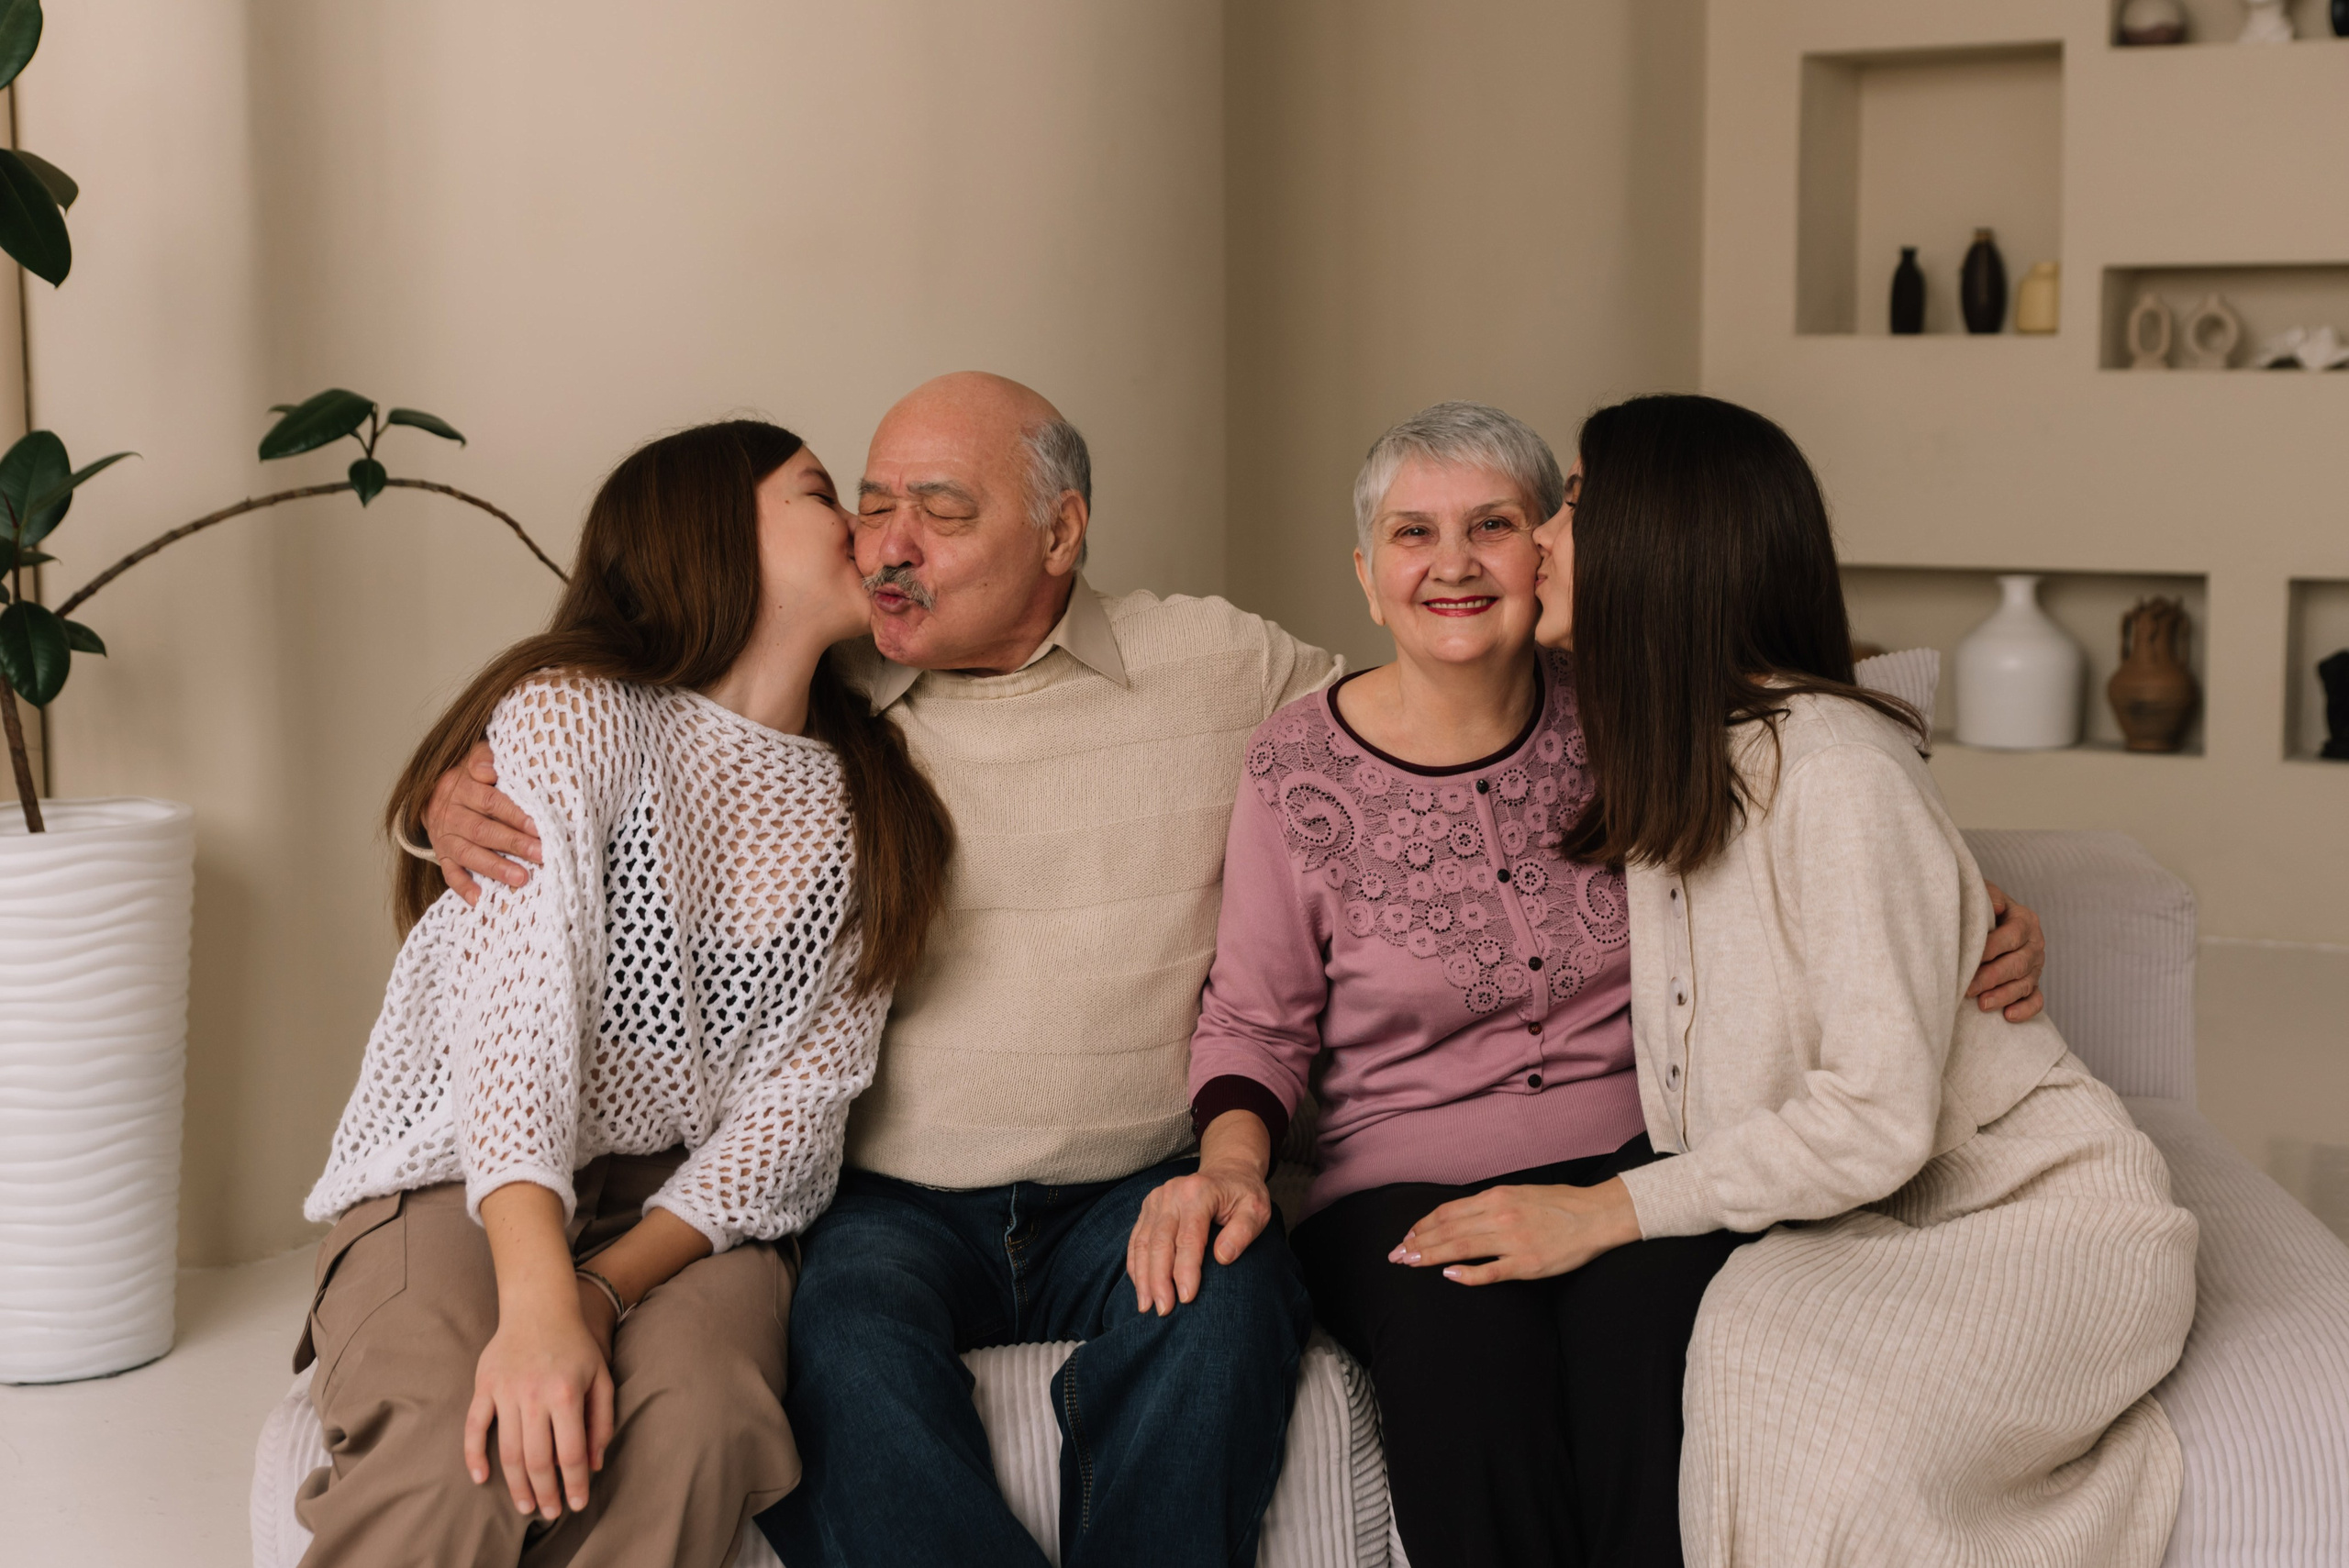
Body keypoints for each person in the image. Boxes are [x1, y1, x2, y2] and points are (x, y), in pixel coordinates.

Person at [417, 373, 1330, 1568]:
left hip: (1132, 1185)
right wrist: (455, 799)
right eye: (871, 502)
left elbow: (1420, 721)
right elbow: (623, 741)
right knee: (837, 1357)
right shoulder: (820, 680)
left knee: (1229, 1303)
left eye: (939, 511)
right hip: (887, 1203)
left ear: (1060, 531)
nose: (887, 544)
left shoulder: (1223, 664)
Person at [1126, 402, 2056, 1568]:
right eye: (1413, 533)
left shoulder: (1633, 709)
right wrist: (1228, 1163)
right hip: (1401, 1181)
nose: (1455, 563)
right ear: (1366, 577)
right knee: (1468, 1372)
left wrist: (1978, 907)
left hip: (1646, 1159)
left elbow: (1818, 801)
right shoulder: (1294, 765)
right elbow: (1255, 1020)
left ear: (1548, 552)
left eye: (1494, 524)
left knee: (1653, 1361)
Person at [1431, 394, 2192, 1563]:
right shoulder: (1663, 743)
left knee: (1814, 1437)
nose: (1538, 534)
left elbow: (1878, 1113)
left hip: (2034, 1220)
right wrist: (1951, 905)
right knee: (1726, 1364)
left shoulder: (1833, 769)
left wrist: (1607, 1207)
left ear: (1663, 540)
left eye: (1573, 503)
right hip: (1854, 1222)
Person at [295, 420, 953, 1568]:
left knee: (696, 1420)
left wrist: (598, 1292)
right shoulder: (576, 715)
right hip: (469, 1168)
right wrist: (537, 1305)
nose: (862, 526)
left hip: (690, 1216)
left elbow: (793, 1120)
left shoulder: (880, 811)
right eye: (820, 494)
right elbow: (517, 1025)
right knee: (460, 1452)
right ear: (713, 530)